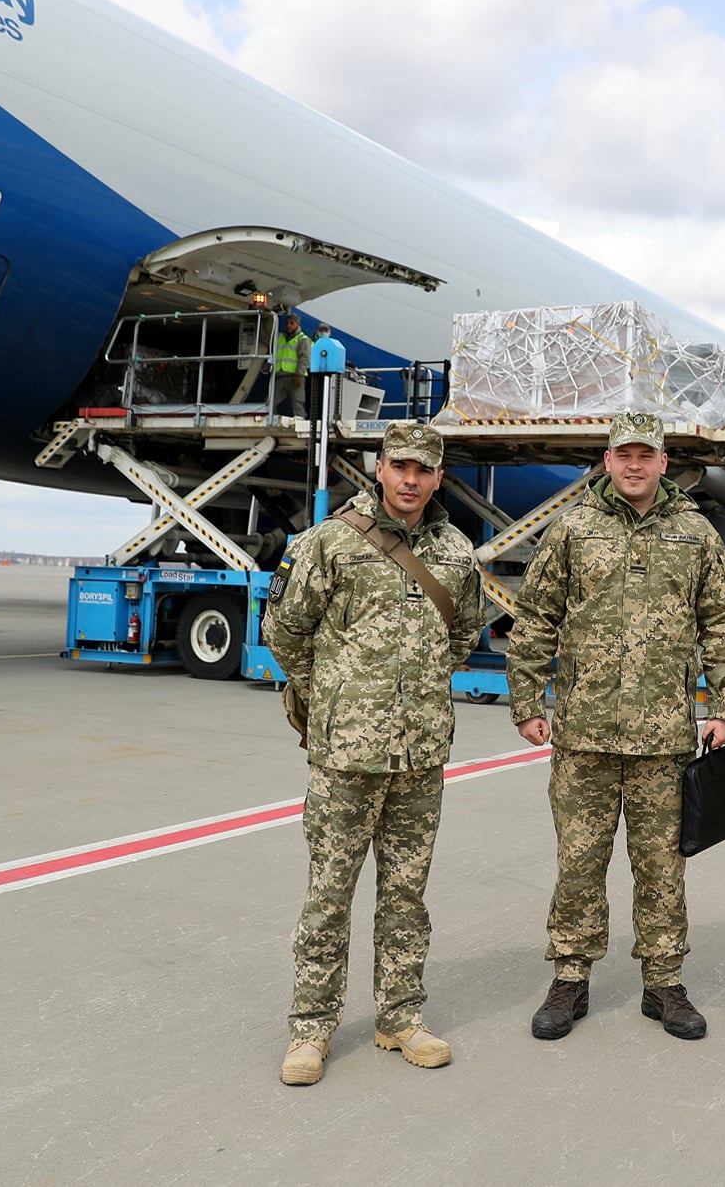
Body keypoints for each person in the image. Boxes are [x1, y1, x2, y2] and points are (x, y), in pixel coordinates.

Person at [509, 411, 725, 1042]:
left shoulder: (694, 535)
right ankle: (570, 976)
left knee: (662, 864)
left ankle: (664, 983)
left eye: (647, 455)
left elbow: (724, 620)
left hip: (663, 738)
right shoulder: (572, 530)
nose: (635, 465)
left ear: (664, 462)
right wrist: (528, 701)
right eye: (624, 455)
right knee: (579, 861)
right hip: (584, 732)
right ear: (607, 462)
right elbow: (535, 617)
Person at [263, 421, 484, 1087]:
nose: (411, 478)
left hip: (419, 756)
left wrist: (413, 691)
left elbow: (467, 631)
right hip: (346, 757)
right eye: (399, 465)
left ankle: (400, 1016)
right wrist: (336, 694)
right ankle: (310, 1029)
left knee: (406, 896)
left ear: (439, 477)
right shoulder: (329, 543)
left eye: (424, 468)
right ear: (379, 468)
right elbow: (285, 631)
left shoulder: (454, 550)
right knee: (329, 894)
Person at [273, 312, 308, 419]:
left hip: (295, 376)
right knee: (270, 402)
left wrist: (298, 374)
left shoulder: (302, 339)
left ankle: (301, 423)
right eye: (287, 323)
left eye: (291, 323)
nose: (288, 325)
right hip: (280, 376)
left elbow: (304, 358)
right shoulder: (280, 337)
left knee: (297, 403)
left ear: (297, 324)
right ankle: (271, 421)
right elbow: (267, 338)